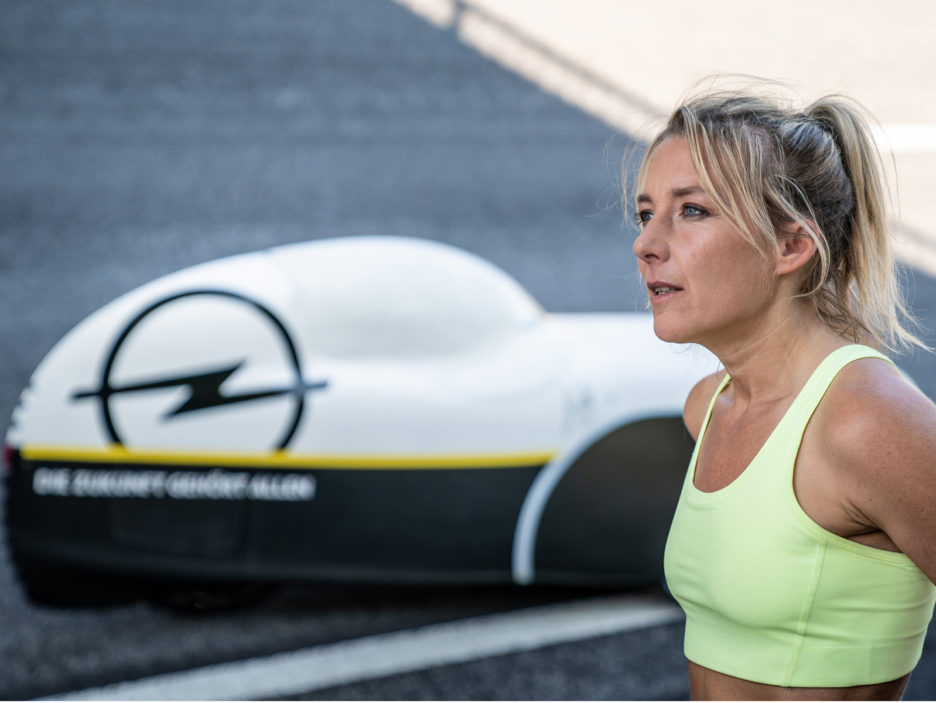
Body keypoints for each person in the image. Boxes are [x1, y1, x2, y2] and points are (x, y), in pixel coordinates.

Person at [631, 82, 936, 700]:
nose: (647, 244)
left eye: (692, 210)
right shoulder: (708, 407)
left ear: (791, 245)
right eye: (645, 213)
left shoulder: (866, 421)